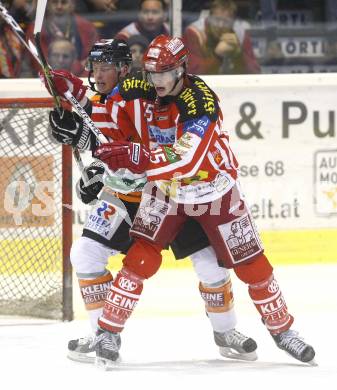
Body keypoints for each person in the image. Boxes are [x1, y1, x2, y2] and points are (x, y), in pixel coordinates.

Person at [89, 34, 315, 368]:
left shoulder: (200, 99)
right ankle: (108, 331)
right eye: (152, 74)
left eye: (165, 73)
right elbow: (105, 95)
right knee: (140, 257)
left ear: (182, 69)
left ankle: (284, 332)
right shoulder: (146, 81)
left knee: (253, 266)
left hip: (213, 190)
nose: (158, 81)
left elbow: (188, 159)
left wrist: (136, 154)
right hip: (166, 190)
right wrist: (71, 95)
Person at [44, 38, 258, 364]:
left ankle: (225, 331)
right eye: (93, 68)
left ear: (124, 69)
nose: (98, 74)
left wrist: (79, 107)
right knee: (85, 255)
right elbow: (103, 141)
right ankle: (102, 335)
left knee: (208, 264)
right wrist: (74, 129)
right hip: (127, 198)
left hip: (170, 194)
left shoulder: (142, 93)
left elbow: (149, 151)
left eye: (106, 68)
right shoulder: (103, 100)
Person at [183, 0, 260, 74]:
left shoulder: (240, 32)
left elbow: (254, 71)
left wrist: (238, 54)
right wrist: (217, 55)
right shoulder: (195, 32)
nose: (220, 25)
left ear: (233, 21)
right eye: (216, 20)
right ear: (209, 18)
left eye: (226, 22)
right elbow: (192, 73)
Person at [26, 0, 98, 75]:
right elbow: (37, 62)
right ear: (48, 5)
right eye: (54, 2)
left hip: (81, 79)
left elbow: (93, 57)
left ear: (72, 4)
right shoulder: (36, 29)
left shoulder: (86, 27)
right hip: (48, 79)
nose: (59, 6)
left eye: (64, 2)